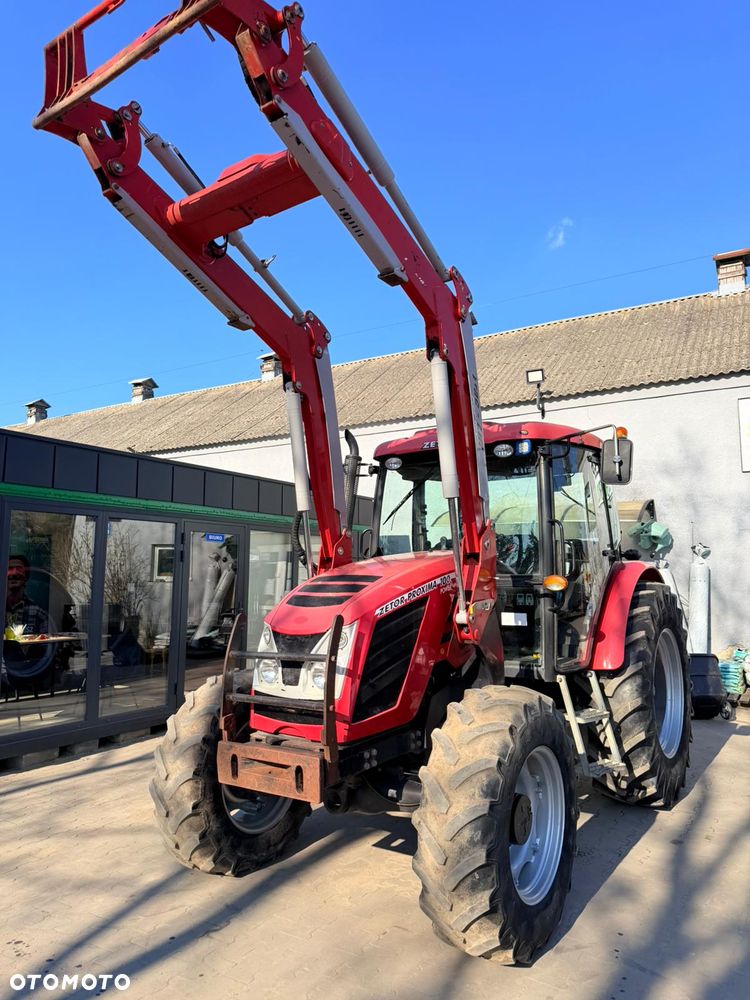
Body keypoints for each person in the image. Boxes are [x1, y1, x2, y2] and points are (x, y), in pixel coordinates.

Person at [5, 554, 52, 636]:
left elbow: (45, 645)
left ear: (26, 578)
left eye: (19, 569)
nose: (14, 573)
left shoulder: (38, 614)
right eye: (10, 568)